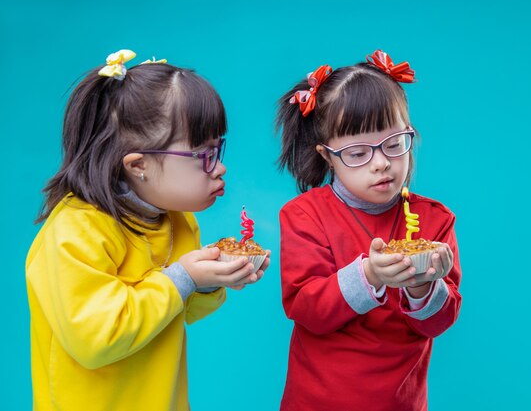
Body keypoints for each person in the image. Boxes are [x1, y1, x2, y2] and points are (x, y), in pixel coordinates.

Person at [26, 49, 269, 411]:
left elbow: (180, 310)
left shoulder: (177, 218)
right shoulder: (76, 230)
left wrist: (212, 280)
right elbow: (97, 339)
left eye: (219, 150)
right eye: (205, 155)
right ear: (138, 165)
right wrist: (183, 277)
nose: (221, 169)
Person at [276, 49, 461, 411]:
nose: (381, 164)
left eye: (394, 145)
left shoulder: (434, 219)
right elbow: (306, 308)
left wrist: (423, 285)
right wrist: (369, 274)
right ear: (327, 155)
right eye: (358, 153)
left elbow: (438, 322)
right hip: (316, 401)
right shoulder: (304, 216)